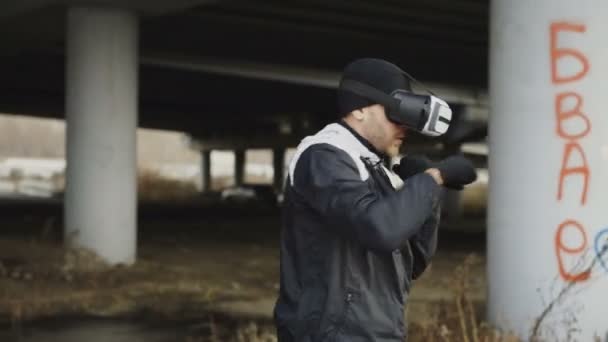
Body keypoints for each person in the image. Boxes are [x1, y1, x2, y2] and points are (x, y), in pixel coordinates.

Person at [273, 58, 477, 341]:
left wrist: (423, 198)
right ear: (358, 109)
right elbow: (379, 229)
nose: (404, 126)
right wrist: (431, 180)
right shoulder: (323, 156)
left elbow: (411, 263)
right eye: (395, 113)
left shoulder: (375, 168)